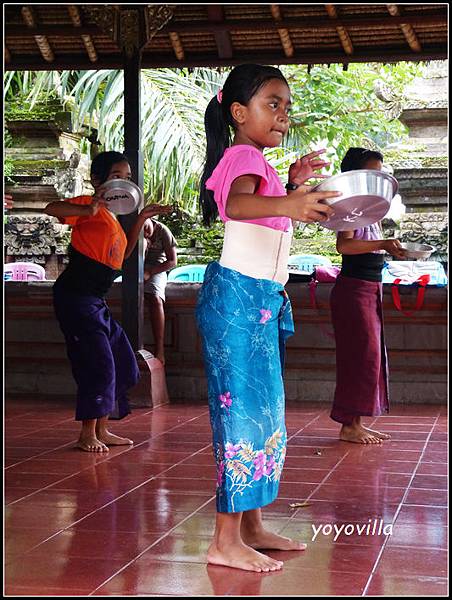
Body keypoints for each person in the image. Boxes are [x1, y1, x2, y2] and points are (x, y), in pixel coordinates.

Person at [195, 64, 341, 573]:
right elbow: (237, 204)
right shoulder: (242, 154)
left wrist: (293, 184)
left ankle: (251, 526)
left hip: (254, 300)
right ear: (239, 113)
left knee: (261, 414)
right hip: (238, 303)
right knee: (241, 417)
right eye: (271, 104)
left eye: (286, 106)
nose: (283, 115)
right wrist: (291, 201)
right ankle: (224, 539)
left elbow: (256, 202)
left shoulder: (256, 160)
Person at [43, 151, 171, 453]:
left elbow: (123, 256)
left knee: (124, 360)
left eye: (127, 178)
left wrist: (141, 217)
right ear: (98, 180)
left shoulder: (112, 219)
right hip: (75, 297)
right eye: (117, 176)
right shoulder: (89, 206)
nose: (123, 183)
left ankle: (102, 429)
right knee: (97, 361)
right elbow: (52, 207)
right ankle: (87, 433)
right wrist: (89, 207)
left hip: (94, 302)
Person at [330, 147, 406, 444]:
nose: (381, 177)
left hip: (370, 289)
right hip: (353, 290)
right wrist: (383, 244)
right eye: (374, 172)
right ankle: (348, 425)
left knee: (370, 358)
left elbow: (373, 245)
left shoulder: (371, 210)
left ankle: (357, 421)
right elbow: (344, 247)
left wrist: (389, 247)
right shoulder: (349, 207)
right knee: (360, 357)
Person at [143, 217, 177, 365]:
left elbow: (172, 261)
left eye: (146, 228)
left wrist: (151, 272)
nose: (145, 232)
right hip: (137, 268)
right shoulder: (133, 231)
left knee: (155, 298)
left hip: (157, 269)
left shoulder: (163, 231)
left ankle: (160, 348)